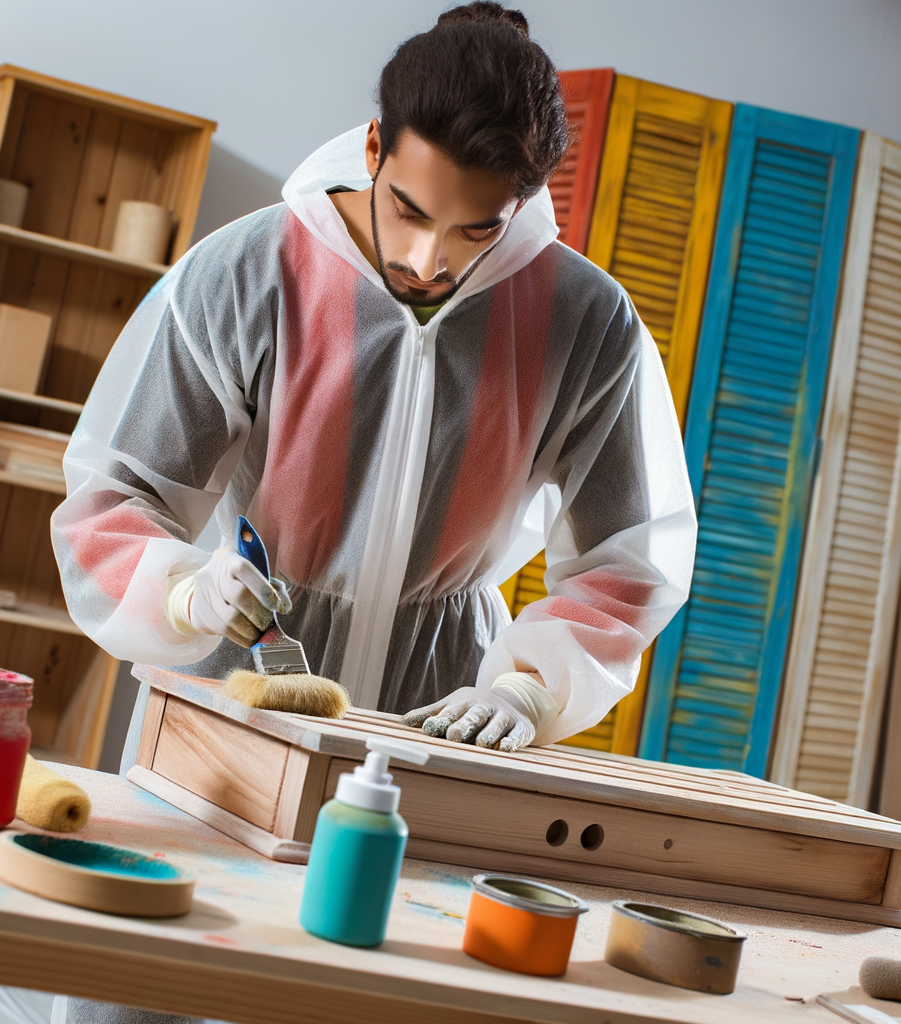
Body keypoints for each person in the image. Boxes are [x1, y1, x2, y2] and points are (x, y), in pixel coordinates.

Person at [50, 3, 696, 1019]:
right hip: (238, 687)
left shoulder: (585, 323)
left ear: (524, 200)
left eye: (474, 225)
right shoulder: (247, 270)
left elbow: (627, 555)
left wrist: (533, 687)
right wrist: (182, 589)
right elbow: (114, 493)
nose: (431, 256)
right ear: (370, 147)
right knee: (154, 982)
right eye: (407, 207)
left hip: (434, 716)